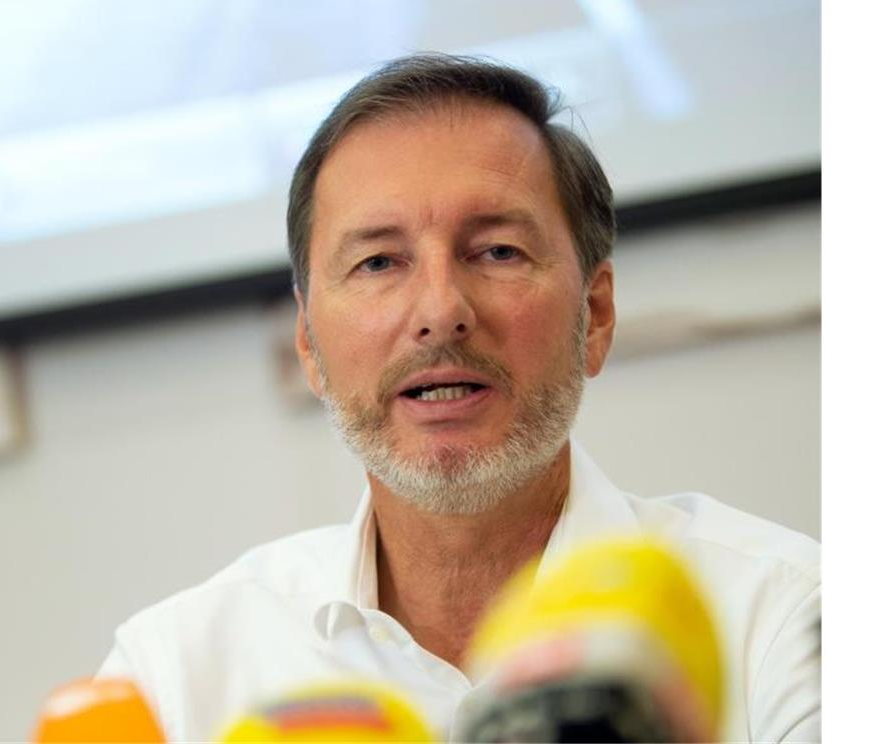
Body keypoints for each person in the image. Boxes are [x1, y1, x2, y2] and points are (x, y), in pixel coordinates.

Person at [97, 54, 820, 742]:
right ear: (310, 344)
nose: (441, 310)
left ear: (594, 315)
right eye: (379, 261)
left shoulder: (789, 616)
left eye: (497, 251)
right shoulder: (173, 681)